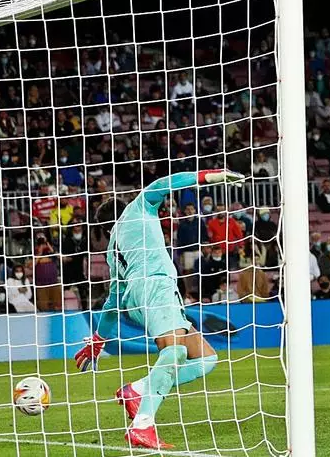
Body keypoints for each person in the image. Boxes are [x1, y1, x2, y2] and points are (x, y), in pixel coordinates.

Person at [73, 169, 245, 449]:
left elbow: (113, 302)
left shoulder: (113, 253)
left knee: (205, 358)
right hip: (156, 286)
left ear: (104, 229)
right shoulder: (137, 208)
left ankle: (137, 390)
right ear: (124, 207)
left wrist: (98, 339)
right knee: (175, 352)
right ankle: (142, 425)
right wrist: (210, 176)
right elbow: (163, 183)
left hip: (140, 298)